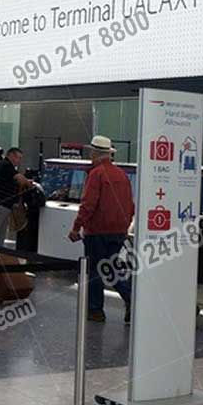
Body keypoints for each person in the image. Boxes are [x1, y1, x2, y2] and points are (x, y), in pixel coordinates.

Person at [68, 136, 134, 323]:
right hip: (119, 231)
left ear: (95, 153)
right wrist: (125, 225)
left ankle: (96, 310)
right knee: (111, 268)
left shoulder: (96, 174)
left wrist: (76, 228)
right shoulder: (122, 174)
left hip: (97, 232)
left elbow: (88, 204)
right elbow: (130, 205)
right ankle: (131, 300)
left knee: (96, 271)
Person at [0, 147, 33, 245]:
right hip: (0, 204)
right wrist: (30, 184)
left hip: (4, 205)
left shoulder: (3, 165)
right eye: (18, 158)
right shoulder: (6, 165)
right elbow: (20, 178)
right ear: (11, 156)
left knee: (1, 235)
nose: (19, 161)